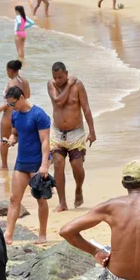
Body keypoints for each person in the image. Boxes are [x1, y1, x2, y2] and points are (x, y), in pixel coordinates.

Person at [4, 86, 51, 244]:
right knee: (14, 199)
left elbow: (45, 141)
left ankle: (42, 234)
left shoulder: (39, 114)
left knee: (41, 200)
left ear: (22, 98)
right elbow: (15, 133)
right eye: (9, 104)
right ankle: (8, 235)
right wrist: (11, 140)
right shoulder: (15, 115)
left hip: (37, 163)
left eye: (13, 103)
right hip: (21, 163)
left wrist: (44, 165)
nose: (12, 107)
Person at [47, 62, 96, 212]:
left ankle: (79, 188)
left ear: (67, 73)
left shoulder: (78, 85)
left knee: (77, 166)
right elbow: (58, 101)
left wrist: (92, 131)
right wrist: (68, 85)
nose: (58, 80)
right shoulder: (51, 85)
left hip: (76, 132)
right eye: (55, 77)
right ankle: (62, 202)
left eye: (61, 77)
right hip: (57, 132)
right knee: (58, 164)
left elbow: (86, 108)